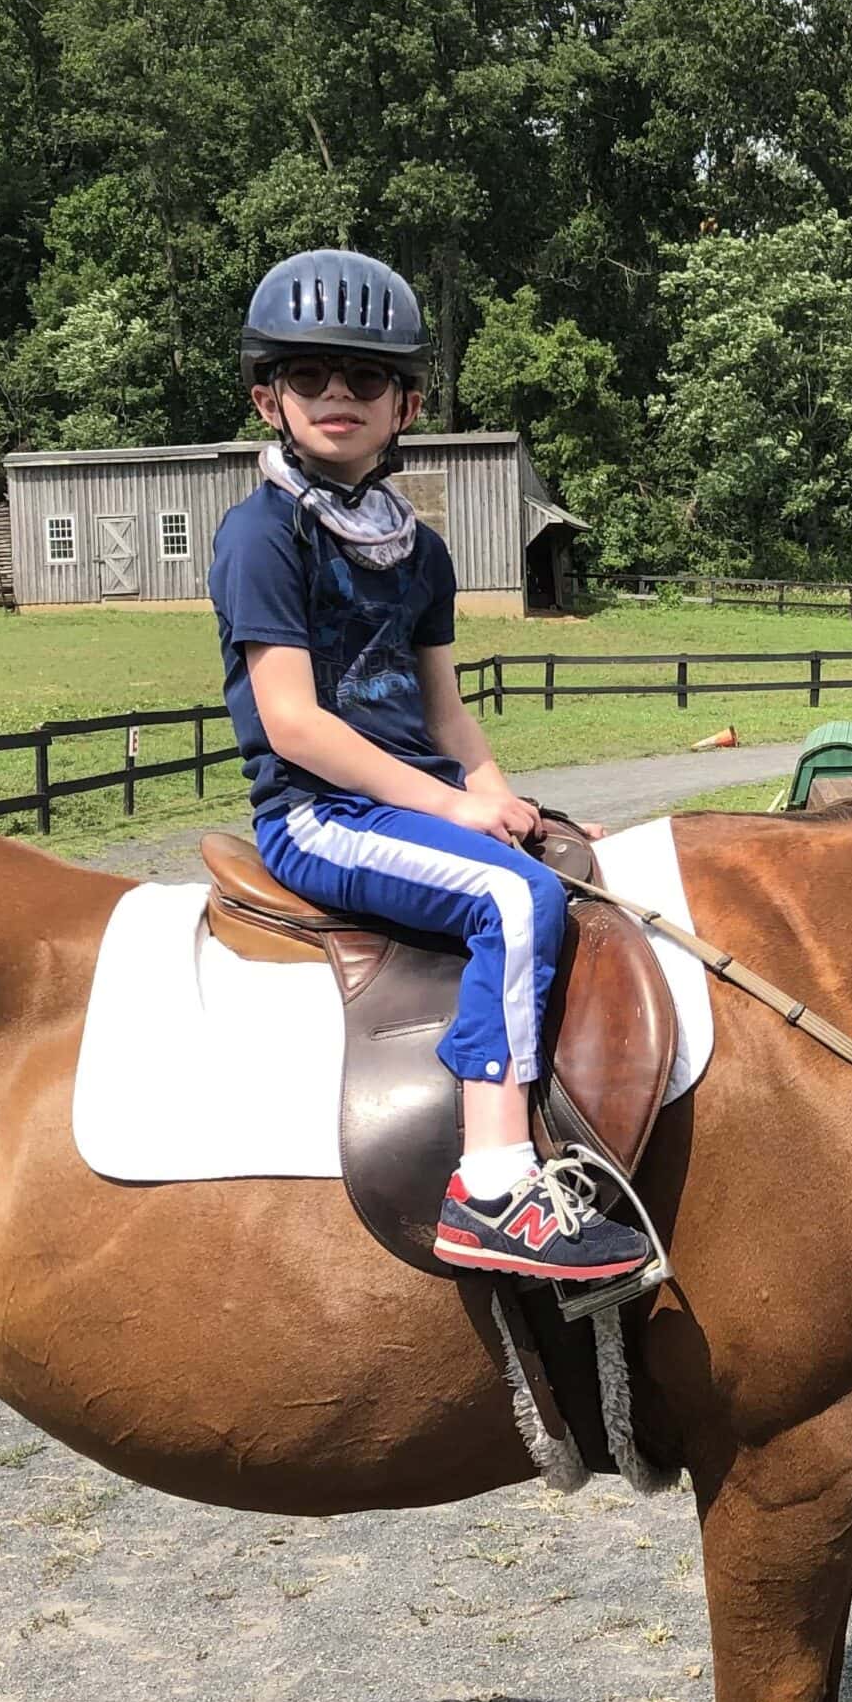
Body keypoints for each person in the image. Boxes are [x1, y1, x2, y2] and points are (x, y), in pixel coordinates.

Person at [207, 249, 655, 1289]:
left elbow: (444, 708)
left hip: (403, 799)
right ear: (266, 394)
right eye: (309, 375)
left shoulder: (420, 549)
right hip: (319, 813)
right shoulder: (261, 536)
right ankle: (494, 1185)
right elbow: (295, 725)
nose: (336, 396)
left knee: (572, 858)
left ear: (404, 402)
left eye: (363, 379)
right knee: (509, 892)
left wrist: (493, 788)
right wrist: (456, 811)